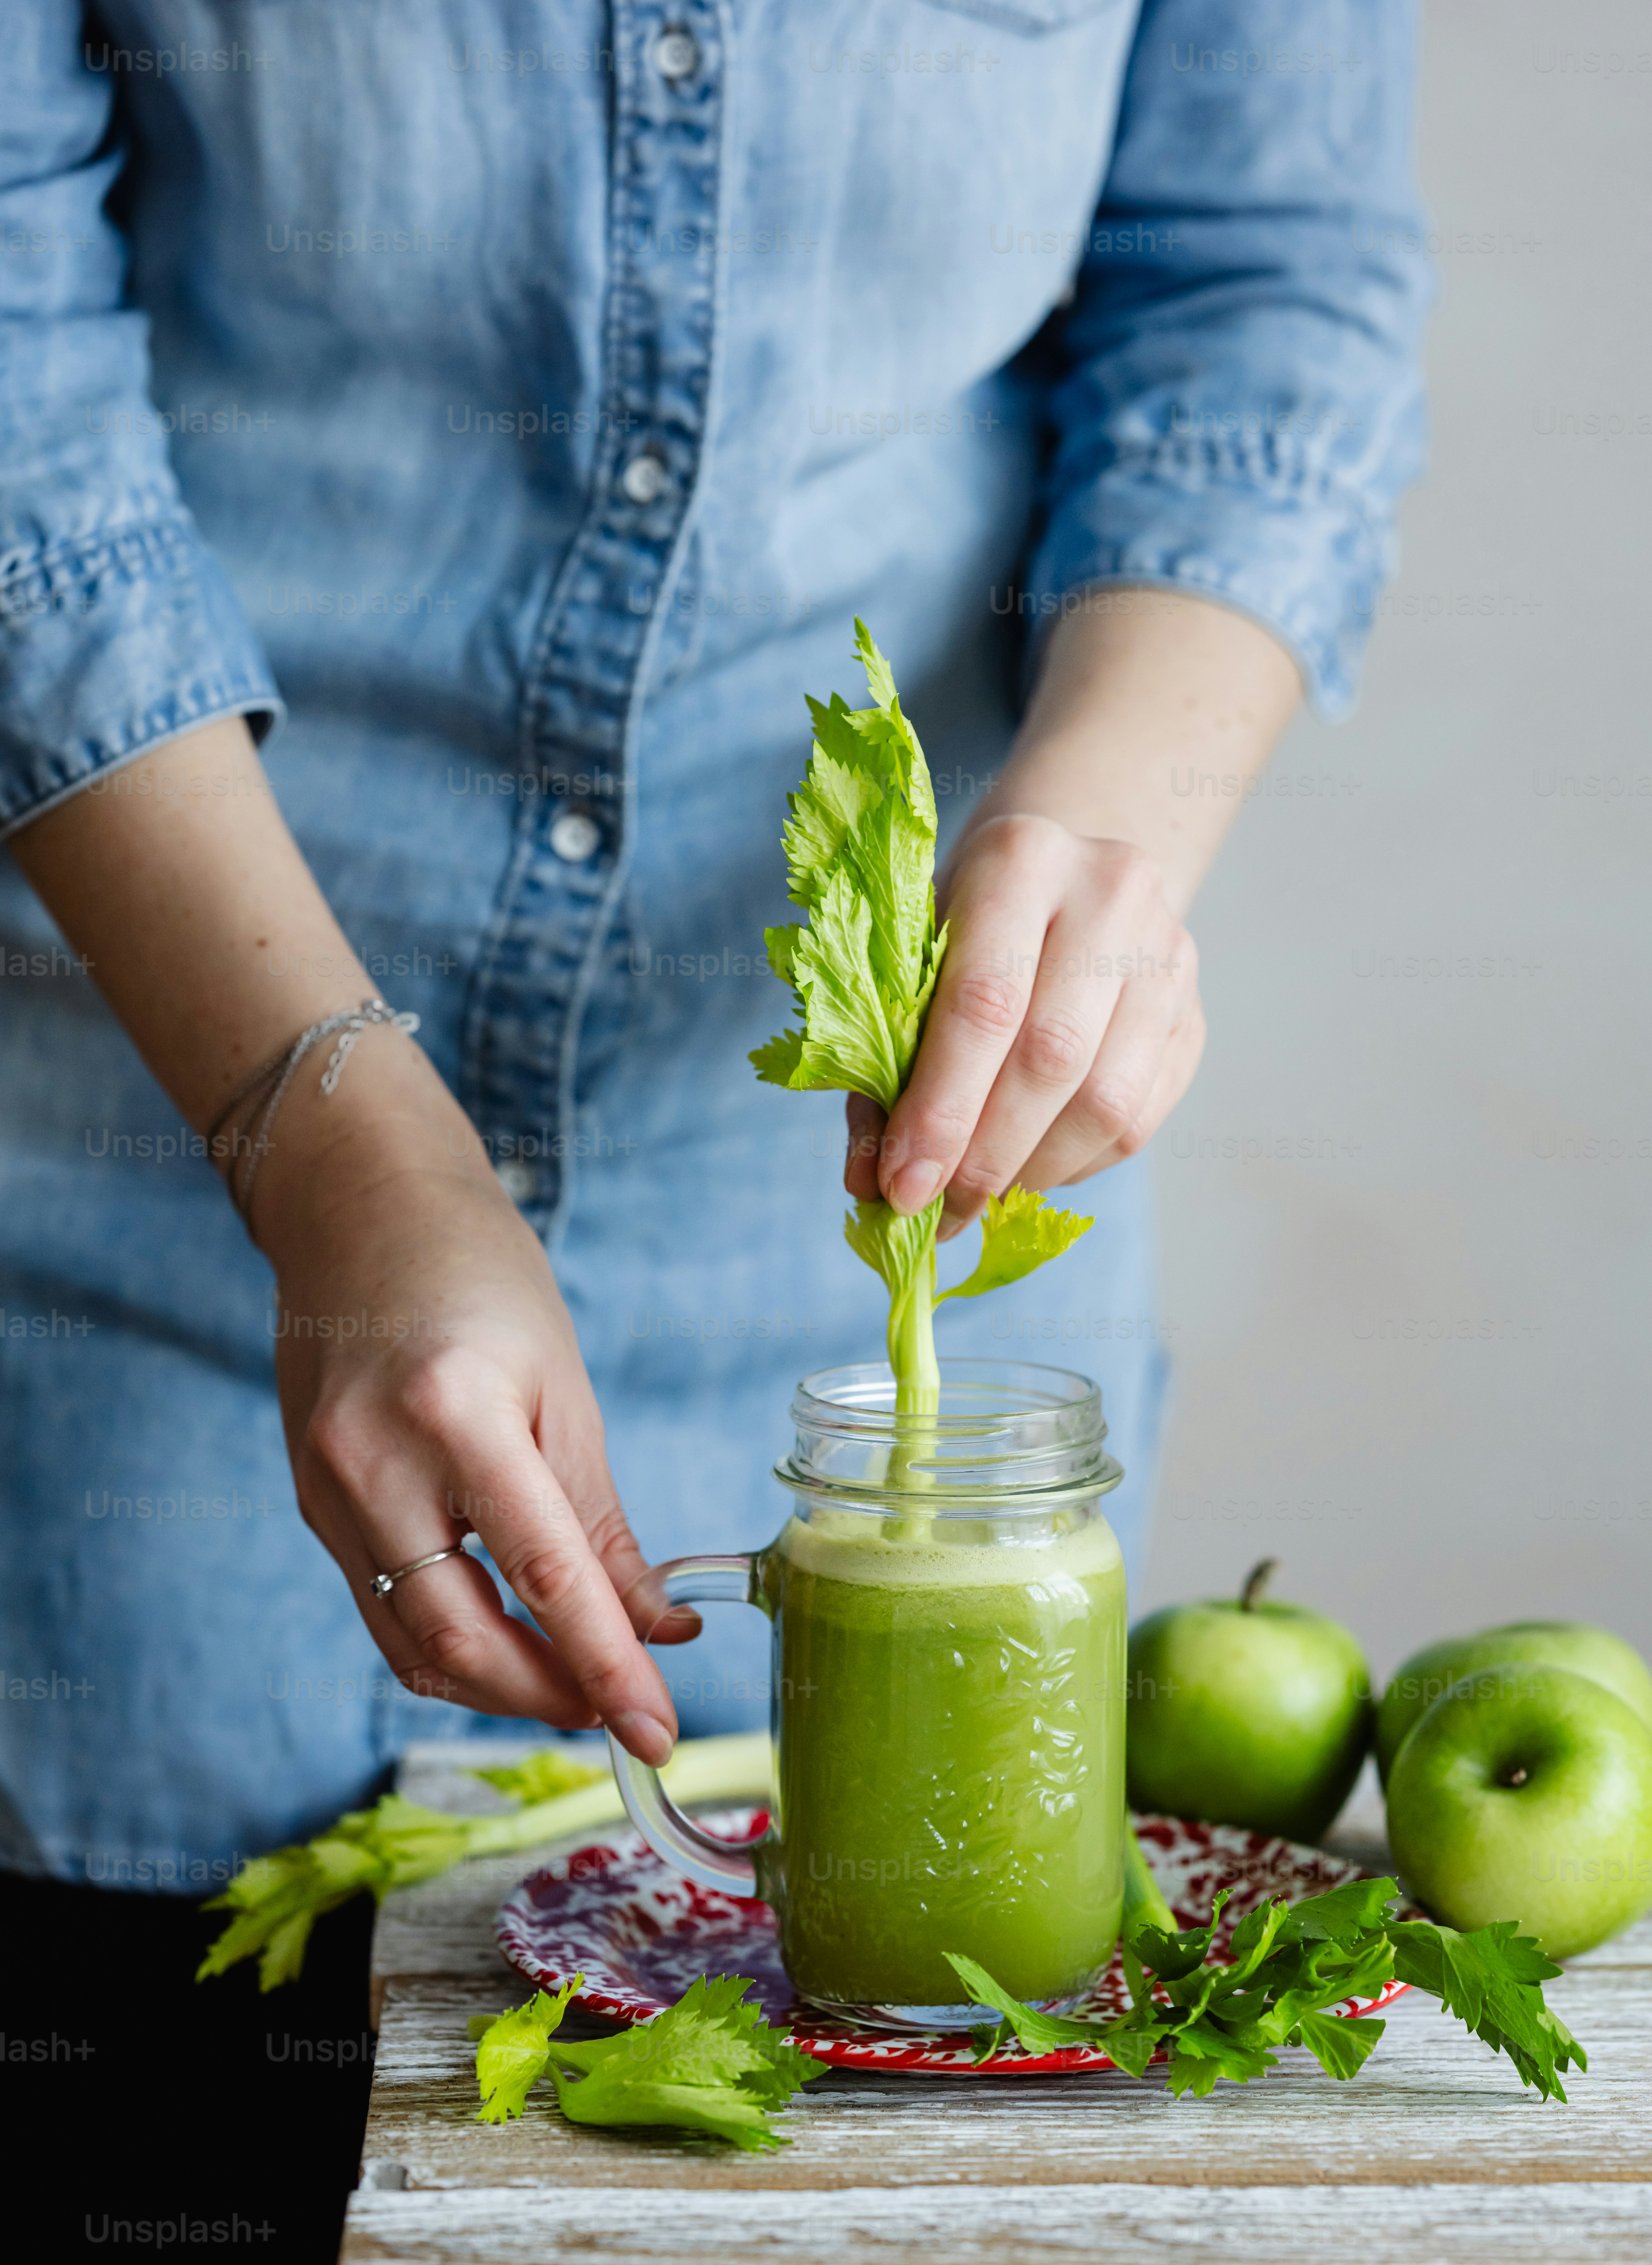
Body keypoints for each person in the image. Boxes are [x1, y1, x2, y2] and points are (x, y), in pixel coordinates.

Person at [1, 4, 1428, 1893]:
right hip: (172, 1142)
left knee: (899, 2124)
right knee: (174, 2148)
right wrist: (319, 1136)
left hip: (841, 1214)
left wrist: (1105, 829)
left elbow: (1266, 275)